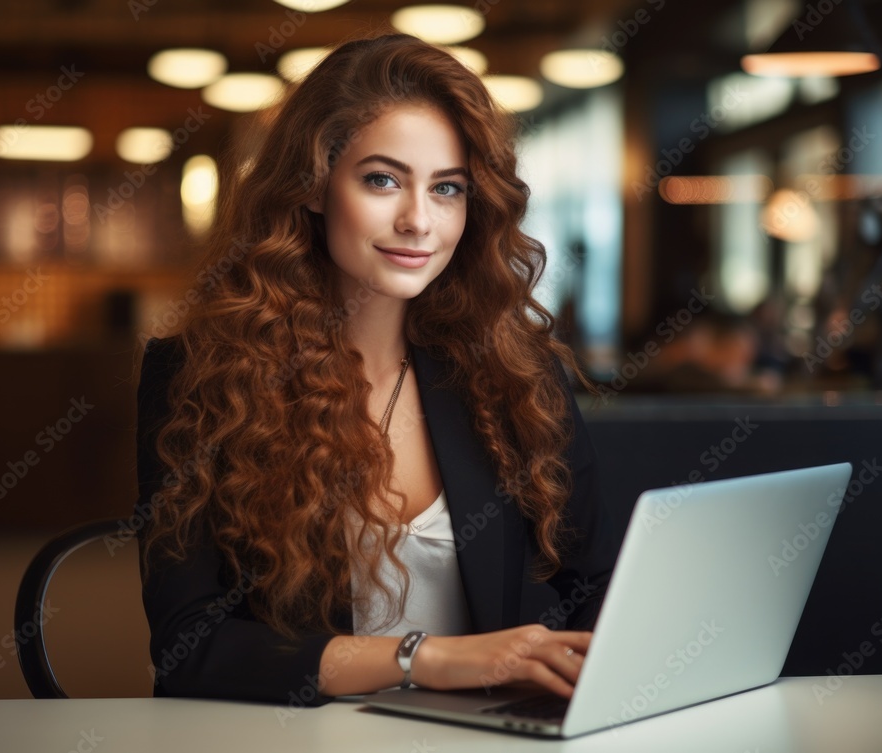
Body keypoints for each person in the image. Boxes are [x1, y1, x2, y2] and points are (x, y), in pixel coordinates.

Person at [135, 31, 616, 708]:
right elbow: (189, 645)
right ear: (312, 184)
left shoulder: (516, 371)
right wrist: (427, 657)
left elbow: (593, 586)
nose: (419, 220)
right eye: (382, 180)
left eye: (447, 188)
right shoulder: (200, 375)